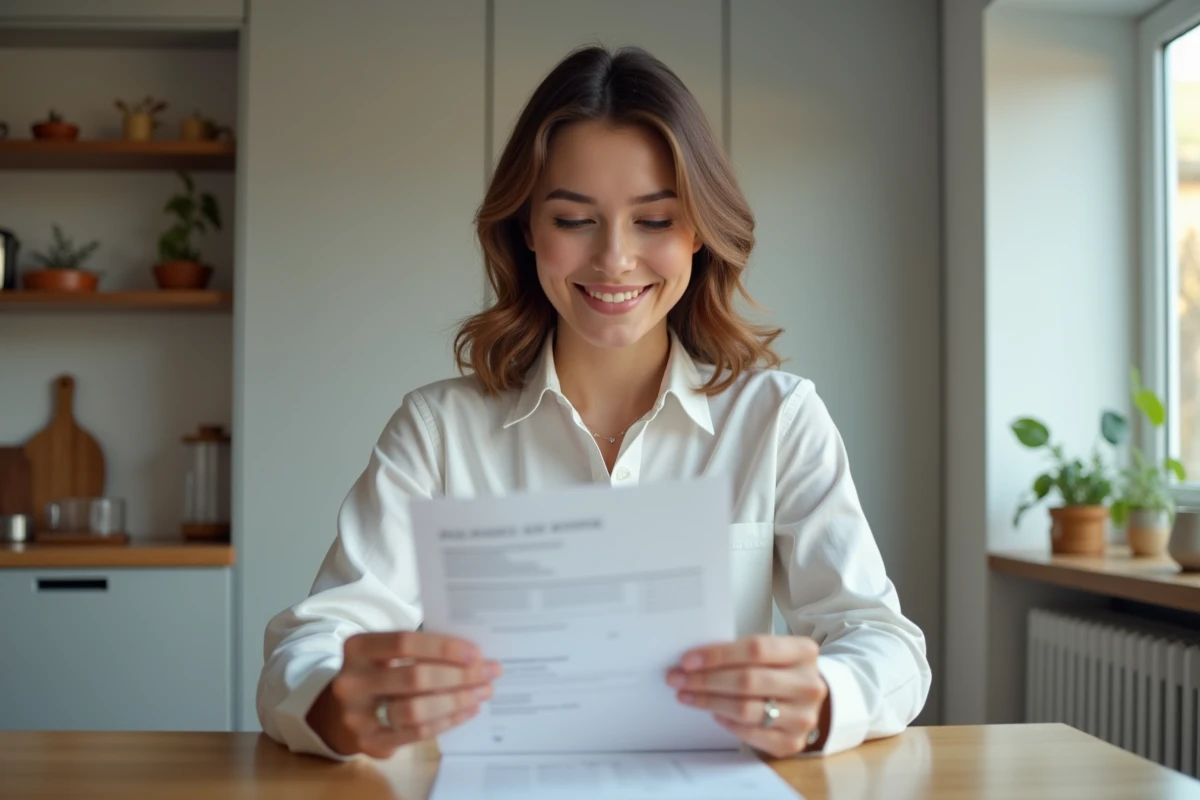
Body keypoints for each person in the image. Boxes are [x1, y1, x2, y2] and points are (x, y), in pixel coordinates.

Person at [257, 45, 930, 762]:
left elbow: (886, 644)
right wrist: (334, 705)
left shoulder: (779, 419)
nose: (614, 258)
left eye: (654, 220)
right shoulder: (437, 431)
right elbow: (307, 648)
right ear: (527, 231)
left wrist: (825, 699)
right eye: (575, 220)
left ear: (698, 231)